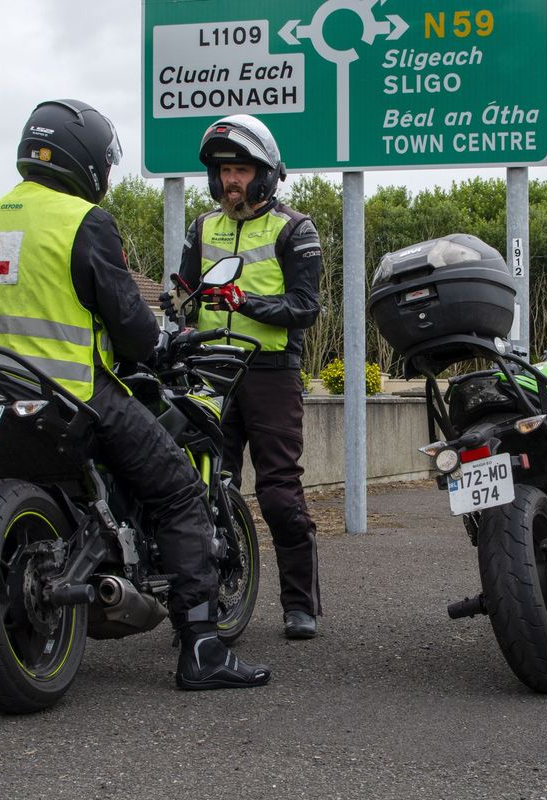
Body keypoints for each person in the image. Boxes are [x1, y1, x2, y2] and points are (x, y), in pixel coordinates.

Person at [0, 99, 270, 691]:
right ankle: (202, 648)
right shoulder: (80, 222)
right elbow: (129, 323)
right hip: (71, 392)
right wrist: (156, 345)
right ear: (87, 158)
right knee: (178, 490)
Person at [169, 114, 324, 639]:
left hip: (270, 373)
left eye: (239, 169)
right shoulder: (202, 227)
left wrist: (248, 303)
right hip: (208, 371)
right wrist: (178, 306)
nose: (229, 180)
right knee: (202, 489)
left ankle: (300, 605)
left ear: (265, 173)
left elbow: (306, 307)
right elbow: (185, 295)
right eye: (222, 171)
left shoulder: (295, 229)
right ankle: (199, 607)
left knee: (279, 493)